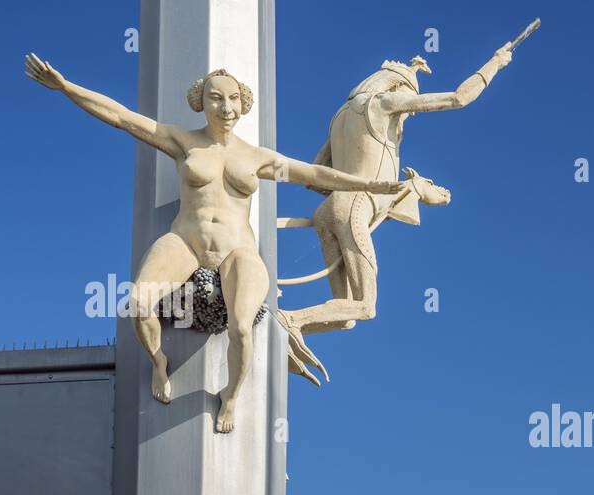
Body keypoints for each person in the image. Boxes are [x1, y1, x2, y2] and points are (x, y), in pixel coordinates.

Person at [25, 54, 404, 432]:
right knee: (137, 304)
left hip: (238, 250)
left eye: (233, 99)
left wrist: (368, 185)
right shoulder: (182, 141)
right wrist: (66, 87)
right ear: (201, 103)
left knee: (241, 328)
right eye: (216, 98)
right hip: (185, 241)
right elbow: (124, 118)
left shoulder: (257, 158)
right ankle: (159, 362)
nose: (226, 107)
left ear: (243, 104)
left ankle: (231, 396)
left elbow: (314, 172)